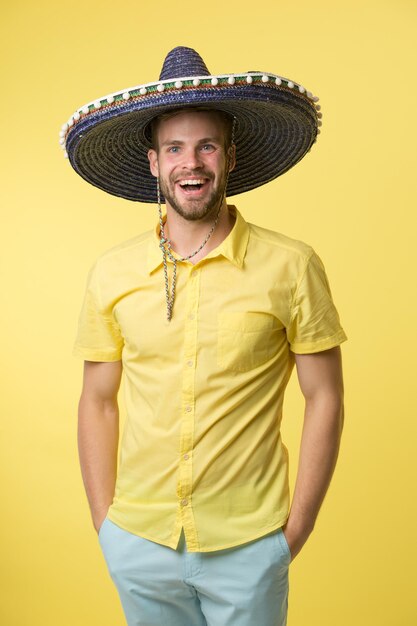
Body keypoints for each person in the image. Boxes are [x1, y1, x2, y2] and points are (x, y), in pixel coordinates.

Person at [64, 46, 347, 626]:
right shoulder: (112, 273)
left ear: (231, 157)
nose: (190, 163)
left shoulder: (291, 266)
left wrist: (294, 532)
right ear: (152, 163)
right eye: (175, 148)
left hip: (250, 545)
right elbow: (97, 400)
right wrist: (107, 526)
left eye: (206, 146)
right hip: (140, 543)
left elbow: (326, 397)